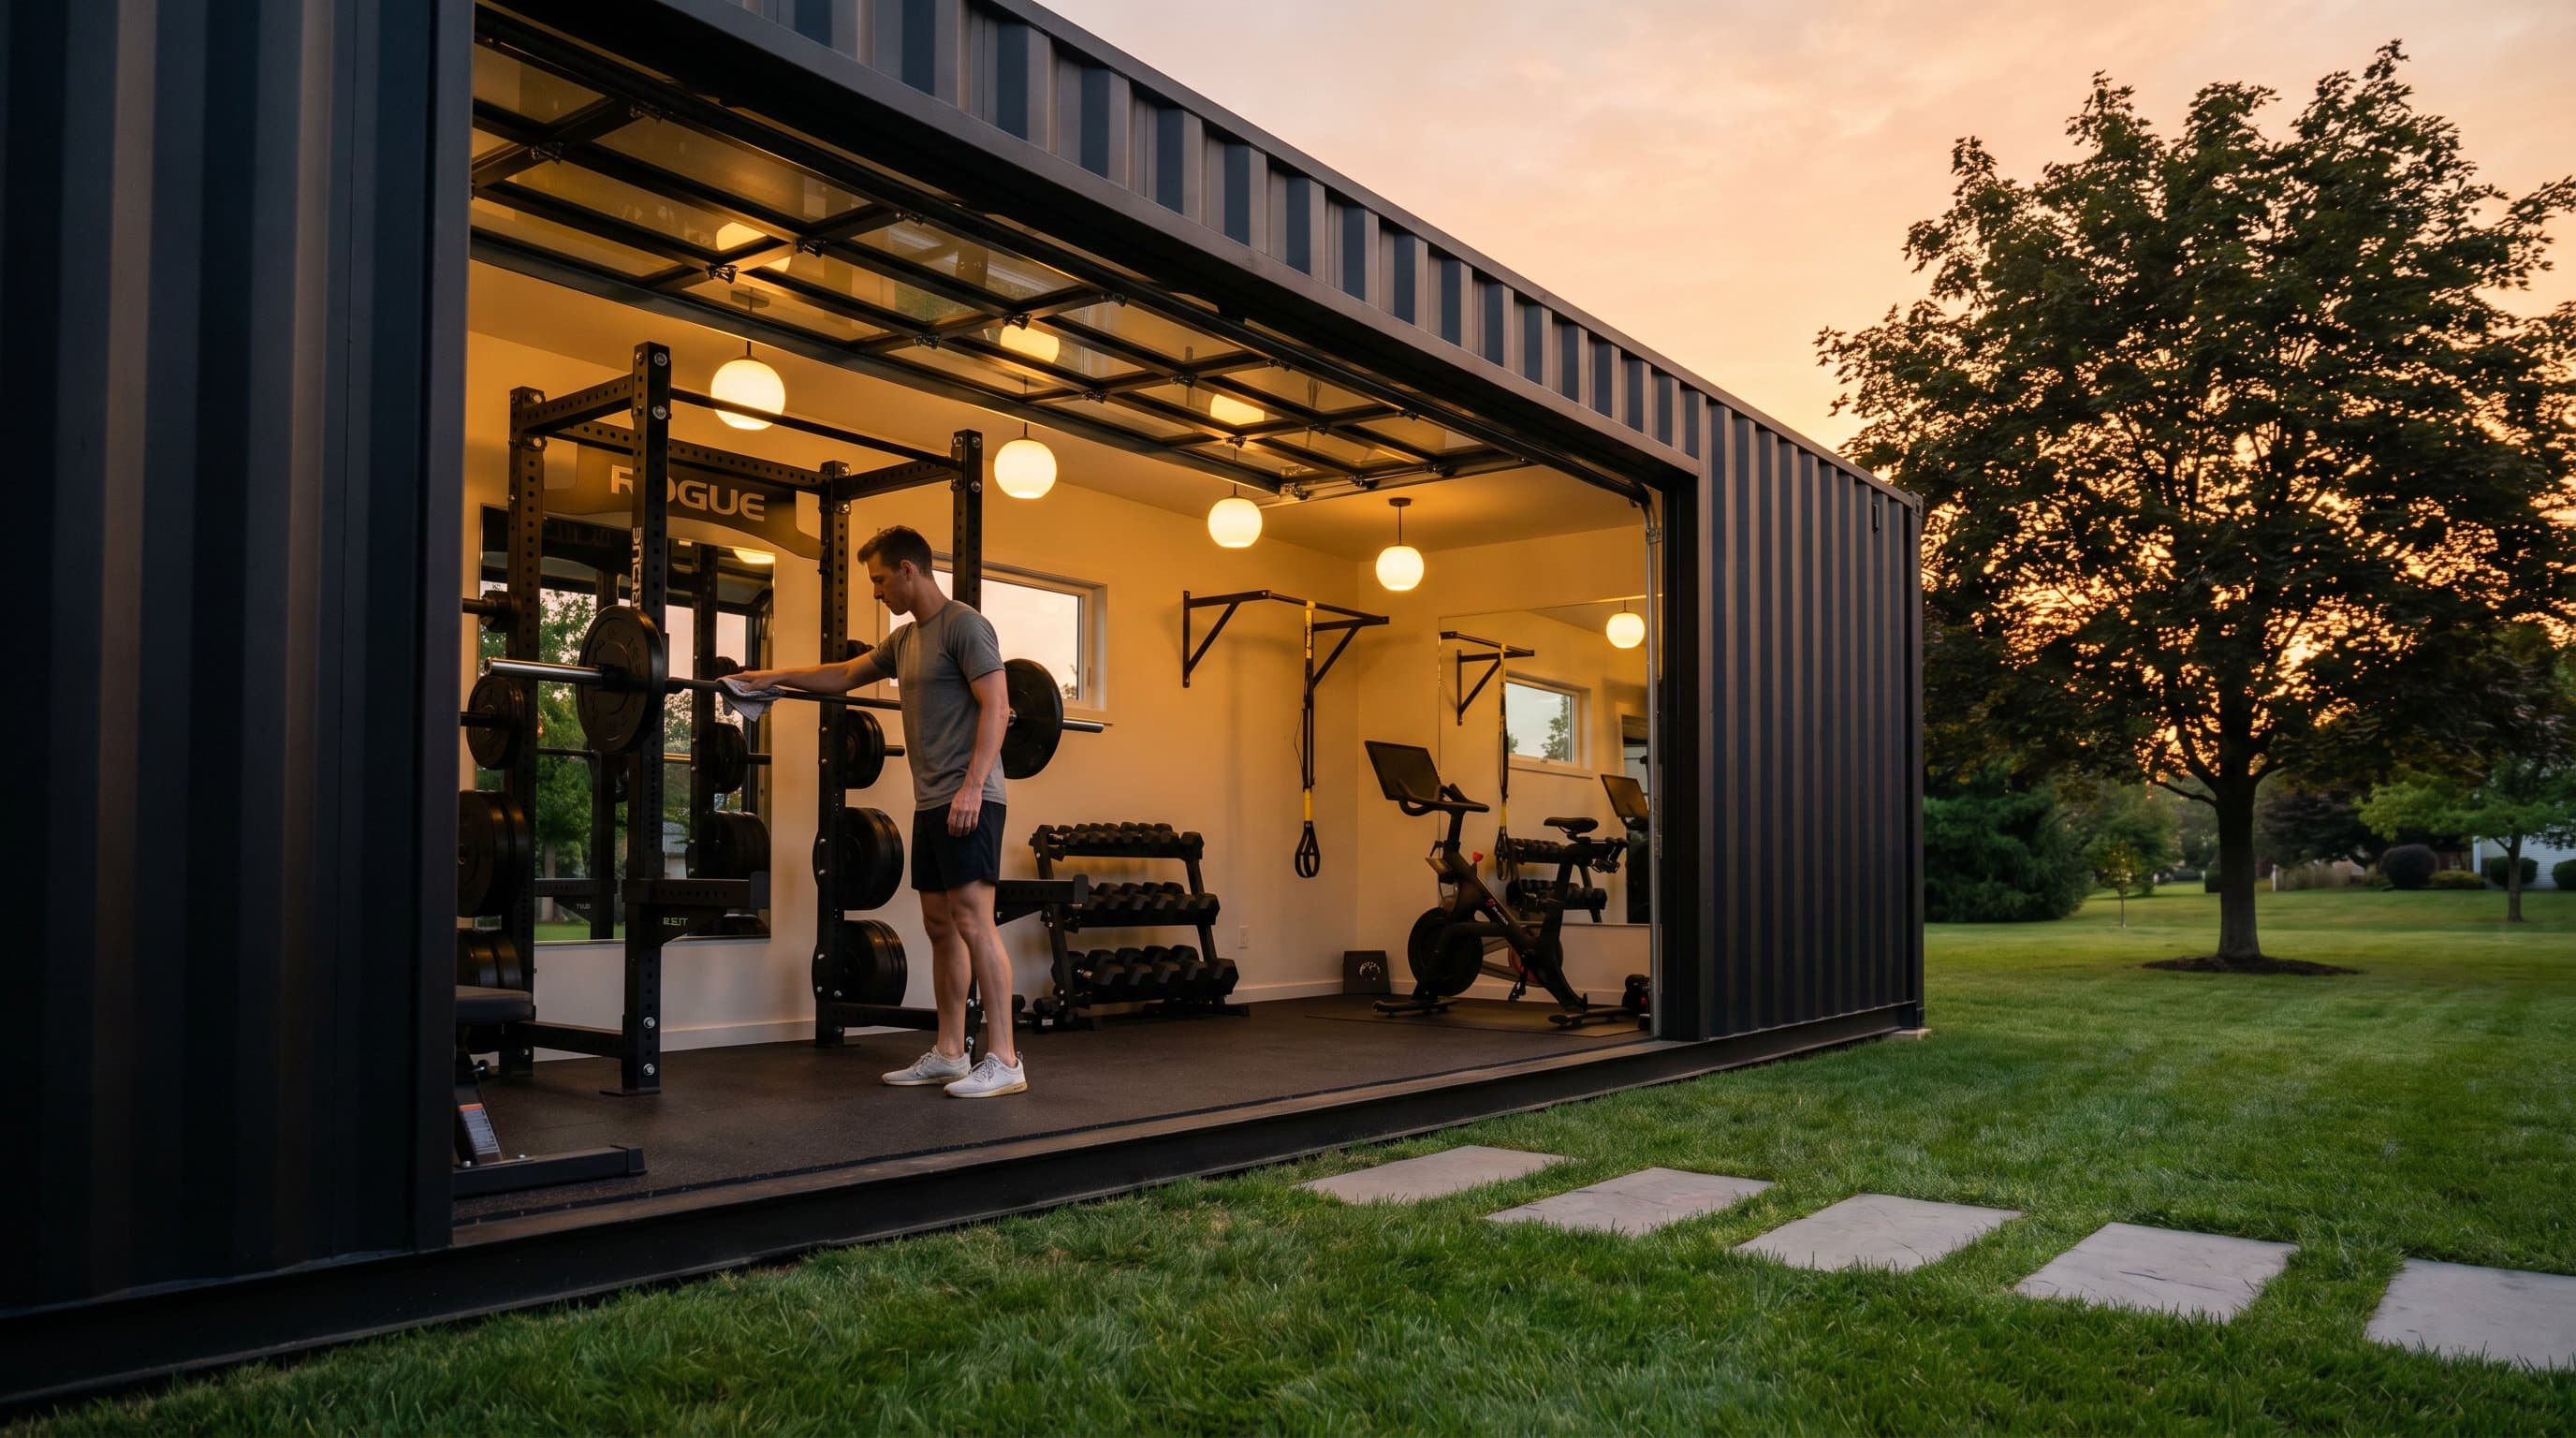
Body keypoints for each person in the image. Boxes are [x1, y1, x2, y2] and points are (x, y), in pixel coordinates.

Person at [731, 525, 1025, 1098]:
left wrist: (970, 787)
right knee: (941, 926)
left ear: (910, 570)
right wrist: (771, 678)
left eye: (879, 579)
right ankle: (949, 1051)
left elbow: (999, 704)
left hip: (971, 798)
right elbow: (843, 675)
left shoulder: (964, 625)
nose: (876, 591)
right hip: (932, 800)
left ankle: (1005, 1058)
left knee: (973, 920)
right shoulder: (907, 640)